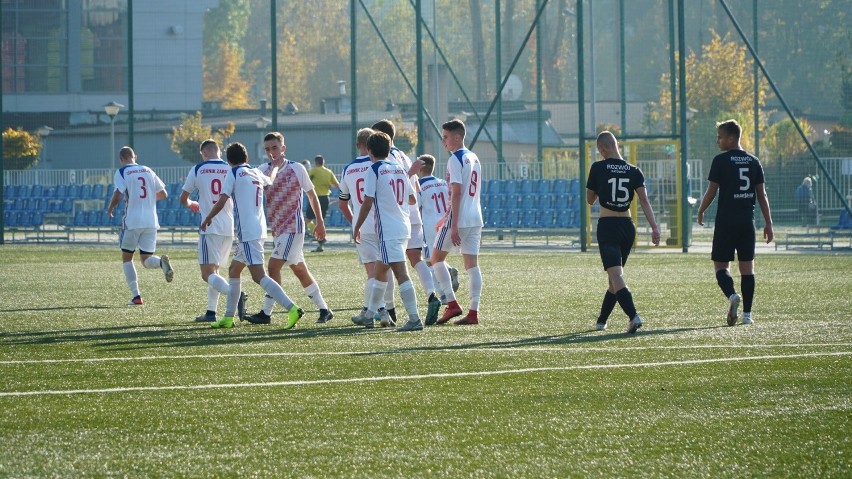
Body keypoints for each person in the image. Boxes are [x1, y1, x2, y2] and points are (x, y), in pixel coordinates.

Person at [201, 141, 304, 330]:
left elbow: (222, 200)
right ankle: (228, 317)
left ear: (229, 161)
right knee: (234, 270)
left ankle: (292, 308)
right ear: (246, 158)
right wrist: (274, 166)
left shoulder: (233, 173)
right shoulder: (255, 172)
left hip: (248, 233)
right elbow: (271, 179)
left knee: (259, 276)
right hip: (257, 230)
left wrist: (208, 218)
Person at [243, 132, 333, 325]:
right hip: (277, 228)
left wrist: (320, 221)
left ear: (283, 148)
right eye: (267, 149)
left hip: (293, 227)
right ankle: (324, 309)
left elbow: (311, 195)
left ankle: (266, 313)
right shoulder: (262, 170)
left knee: (273, 266)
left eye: (274, 148)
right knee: (300, 270)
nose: (271, 152)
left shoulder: (296, 168)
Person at [697, 119, 774, 326]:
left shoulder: (721, 161)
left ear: (731, 138)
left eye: (720, 137)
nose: (717, 141)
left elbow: (711, 192)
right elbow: (762, 195)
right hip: (747, 222)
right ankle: (747, 315)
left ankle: (732, 295)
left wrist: (701, 210)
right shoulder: (754, 161)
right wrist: (768, 223)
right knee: (747, 269)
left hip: (725, 222)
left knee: (721, 267)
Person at [586, 131, 661, 333]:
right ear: (617, 144)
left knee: (616, 275)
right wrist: (654, 227)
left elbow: (590, 199)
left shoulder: (598, 167)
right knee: (614, 279)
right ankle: (601, 320)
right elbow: (644, 200)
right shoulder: (634, 170)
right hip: (628, 227)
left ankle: (633, 316)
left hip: (608, 225)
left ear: (602, 149)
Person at [352, 131, 424, 332]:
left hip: (388, 229)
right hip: (403, 225)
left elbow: (367, 202)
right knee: (380, 270)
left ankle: (414, 318)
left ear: (369, 150)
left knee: (401, 273)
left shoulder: (374, 169)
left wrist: (356, 226)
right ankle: (368, 315)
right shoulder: (400, 169)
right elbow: (412, 199)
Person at [372, 119, 441, 325]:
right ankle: (431, 295)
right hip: (412, 214)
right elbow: (416, 189)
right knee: (415, 259)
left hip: (396, 215)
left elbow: (394, 187)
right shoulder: (403, 155)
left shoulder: (384, 159)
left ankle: (390, 310)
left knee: (389, 264)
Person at [179, 139, 246, 323]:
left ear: (204, 153)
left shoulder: (198, 169)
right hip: (228, 226)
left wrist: (191, 203)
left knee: (207, 273)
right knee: (215, 270)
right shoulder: (231, 169)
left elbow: (183, 197)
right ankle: (211, 312)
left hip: (209, 227)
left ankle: (235, 294)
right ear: (218, 151)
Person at [431, 119, 483, 326]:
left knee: (435, 259)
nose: (443, 141)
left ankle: (452, 303)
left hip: (459, 220)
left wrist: (452, 224)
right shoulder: (474, 157)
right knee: (472, 266)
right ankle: (473, 312)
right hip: (475, 218)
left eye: (445, 137)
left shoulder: (455, 159)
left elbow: (457, 192)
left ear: (457, 137)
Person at [107, 146, 174, 305]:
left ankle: (136, 296)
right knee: (146, 259)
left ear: (121, 159)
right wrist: (148, 200)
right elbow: (164, 194)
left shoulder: (122, 172)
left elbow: (118, 193)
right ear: (134, 156)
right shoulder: (148, 170)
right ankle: (160, 263)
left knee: (127, 258)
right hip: (151, 221)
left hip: (133, 220)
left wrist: (110, 208)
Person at [338, 127, 385, 326]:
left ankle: (378, 312)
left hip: (363, 226)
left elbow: (342, 203)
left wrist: (355, 223)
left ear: (358, 145)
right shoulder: (381, 165)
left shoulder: (348, 169)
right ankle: (380, 310)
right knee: (384, 271)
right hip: (384, 224)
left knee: (371, 272)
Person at [417, 154, 460, 323]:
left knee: (430, 261)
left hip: (429, 227)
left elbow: (416, 205)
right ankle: (446, 285)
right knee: (436, 260)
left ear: (420, 168)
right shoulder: (443, 182)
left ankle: (444, 291)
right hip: (445, 222)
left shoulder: (419, 185)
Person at [306, 154, 339, 252]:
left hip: (315, 198)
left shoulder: (313, 170)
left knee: (307, 220)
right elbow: (336, 185)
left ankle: (318, 237)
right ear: (323, 162)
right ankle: (320, 244)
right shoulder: (328, 172)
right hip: (325, 198)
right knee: (320, 221)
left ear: (316, 162)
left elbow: (306, 180)